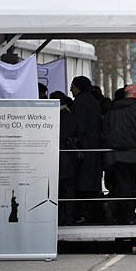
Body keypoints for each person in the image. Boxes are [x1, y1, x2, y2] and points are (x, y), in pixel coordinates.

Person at [102, 84, 136, 225]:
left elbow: (105, 133)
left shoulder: (112, 111)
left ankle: (122, 213)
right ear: (135, 94)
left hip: (117, 156)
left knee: (123, 185)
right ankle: (128, 214)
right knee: (130, 186)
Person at [70, 76, 104, 224]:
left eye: (72, 86)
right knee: (92, 183)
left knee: (83, 183)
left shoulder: (80, 102)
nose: (70, 89)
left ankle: (85, 214)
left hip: (85, 149)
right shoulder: (93, 101)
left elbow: (78, 126)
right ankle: (94, 213)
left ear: (78, 87)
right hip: (94, 148)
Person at [50, 91, 78, 226]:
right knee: (69, 190)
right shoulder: (71, 117)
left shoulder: (50, 117)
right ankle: (69, 217)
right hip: (68, 159)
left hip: (53, 158)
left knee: (56, 191)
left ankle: (57, 217)